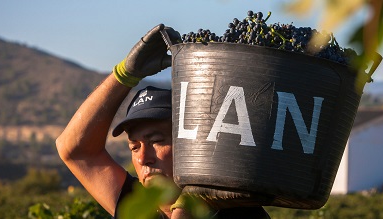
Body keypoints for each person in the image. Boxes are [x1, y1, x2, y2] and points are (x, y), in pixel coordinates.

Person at [56, 24, 270, 219]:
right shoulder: (137, 206)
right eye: (134, 146)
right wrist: (125, 74)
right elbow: (74, 149)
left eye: (156, 141)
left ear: (191, 144)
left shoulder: (240, 212)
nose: (142, 159)